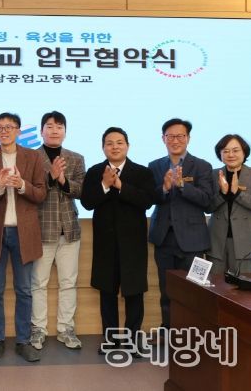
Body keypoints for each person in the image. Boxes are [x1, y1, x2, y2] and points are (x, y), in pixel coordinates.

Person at [81, 127, 155, 354]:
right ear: (103, 147)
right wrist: (104, 185)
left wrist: (121, 186)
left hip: (133, 244)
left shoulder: (142, 172)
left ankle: (132, 340)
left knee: (134, 292)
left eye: (119, 142)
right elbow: (87, 203)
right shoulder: (95, 171)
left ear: (128, 146)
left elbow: (147, 201)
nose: (115, 147)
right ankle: (110, 340)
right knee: (107, 292)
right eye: (109, 143)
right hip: (106, 243)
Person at [0, 112, 47, 362]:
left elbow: (40, 194)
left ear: (19, 130)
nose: (4, 131)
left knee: (24, 290)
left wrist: (21, 185)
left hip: (23, 233)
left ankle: (23, 341)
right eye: (0, 127)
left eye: (10, 127)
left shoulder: (33, 157)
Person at [148, 118, 213, 329]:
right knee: (167, 291)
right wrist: (165, 188)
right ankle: (168, 331)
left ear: (188, 138)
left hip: (193, 241)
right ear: (163, 139)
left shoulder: (202, 166)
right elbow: (149, 198)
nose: (175, 140)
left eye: (180, 136)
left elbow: (207, 201)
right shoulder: (155, 166)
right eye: (170, 136)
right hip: (164, 238)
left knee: (195, 291)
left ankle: (193, 333)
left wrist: (183, 186)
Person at [30, 111, 86, 351]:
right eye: (50, 126)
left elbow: (82, 191)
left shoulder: (76, 158)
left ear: (65, 131)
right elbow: (31, 190)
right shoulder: (31, 157)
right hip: (41, 229)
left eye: (59, 126)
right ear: (41, 131)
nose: (55, 130)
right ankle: (38, 329)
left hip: (69, 229)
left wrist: (63, 181)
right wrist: (51, 177)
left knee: (68, 282)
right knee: (38, 283)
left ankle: (66, 329)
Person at [207, 134, 251, 274]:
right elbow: (207, 207)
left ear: (244, 152)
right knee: (215, 283)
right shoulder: (213, 174)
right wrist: (222, 194)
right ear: (220, 154)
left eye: (235, 150)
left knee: (241, 284)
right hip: (217, 240)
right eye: (226, 151)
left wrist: (238, 193)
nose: (231, 155)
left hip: (246, 239)